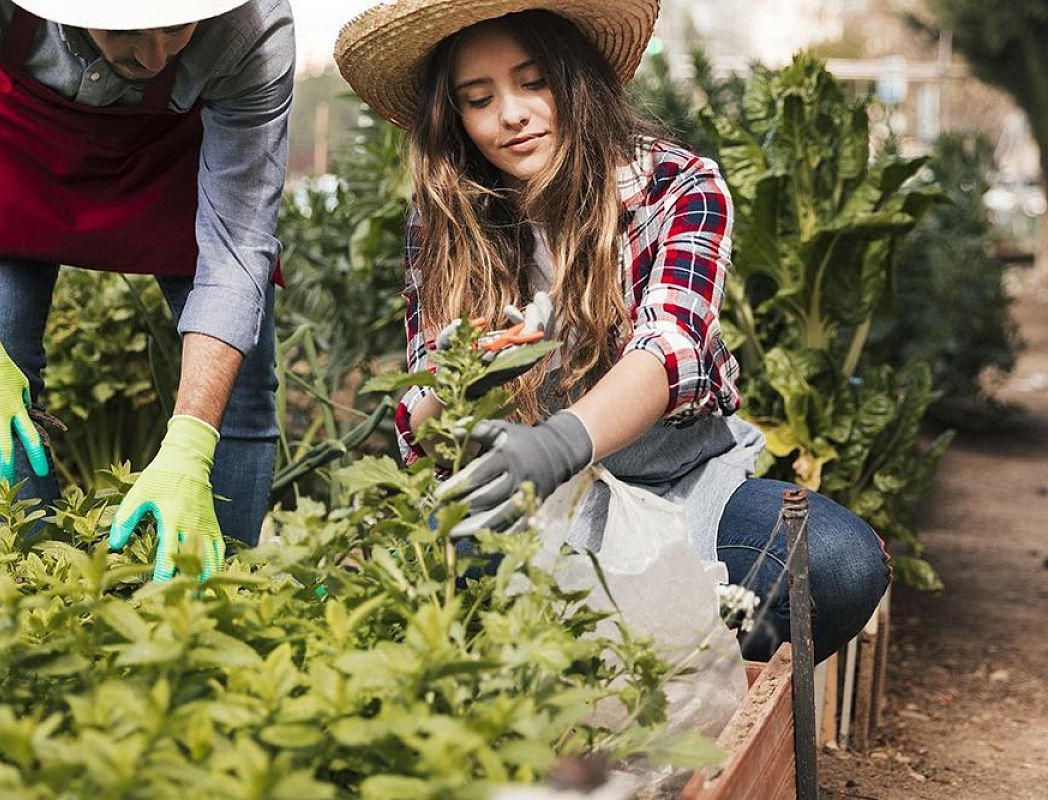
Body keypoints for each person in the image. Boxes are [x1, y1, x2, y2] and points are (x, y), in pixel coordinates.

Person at [334, 0, 890, 662]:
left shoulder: (674, 186)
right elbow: (419, 412)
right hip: (532, 506)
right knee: (421, 582)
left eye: (533, 81)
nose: (511, 113)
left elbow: (668, 348)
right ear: (456, 119)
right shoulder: (447, 220)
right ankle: (578, 686)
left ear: (576, 78)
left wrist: (558, 443)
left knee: (836, 563)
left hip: (681, 490)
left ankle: (689, 692)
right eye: (479, 99)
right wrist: (463, 373)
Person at [0, 0, 295, 581]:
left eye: (177, 26)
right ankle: (30, 593)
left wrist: (190, 441)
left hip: (174, 161)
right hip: (6, 145)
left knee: (238, 386)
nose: (155, 55)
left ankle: (217, 590)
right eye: (125, 29)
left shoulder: (251, 27)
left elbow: (237, 252)